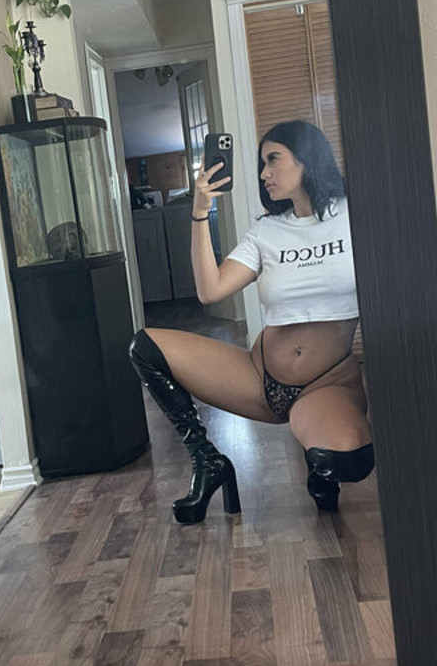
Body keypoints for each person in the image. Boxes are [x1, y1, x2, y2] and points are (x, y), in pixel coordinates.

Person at [128, 119, 375, 524]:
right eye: (262, 163)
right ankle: (208, 462)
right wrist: (200, 212)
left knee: (345, 461)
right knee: (145, 347)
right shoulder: (267, 231)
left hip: (326, 382)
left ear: (307, 159)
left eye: (273, 159)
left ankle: (318, 458)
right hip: (257, 377)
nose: (264, 174)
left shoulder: (356, 214)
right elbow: (210, 290)